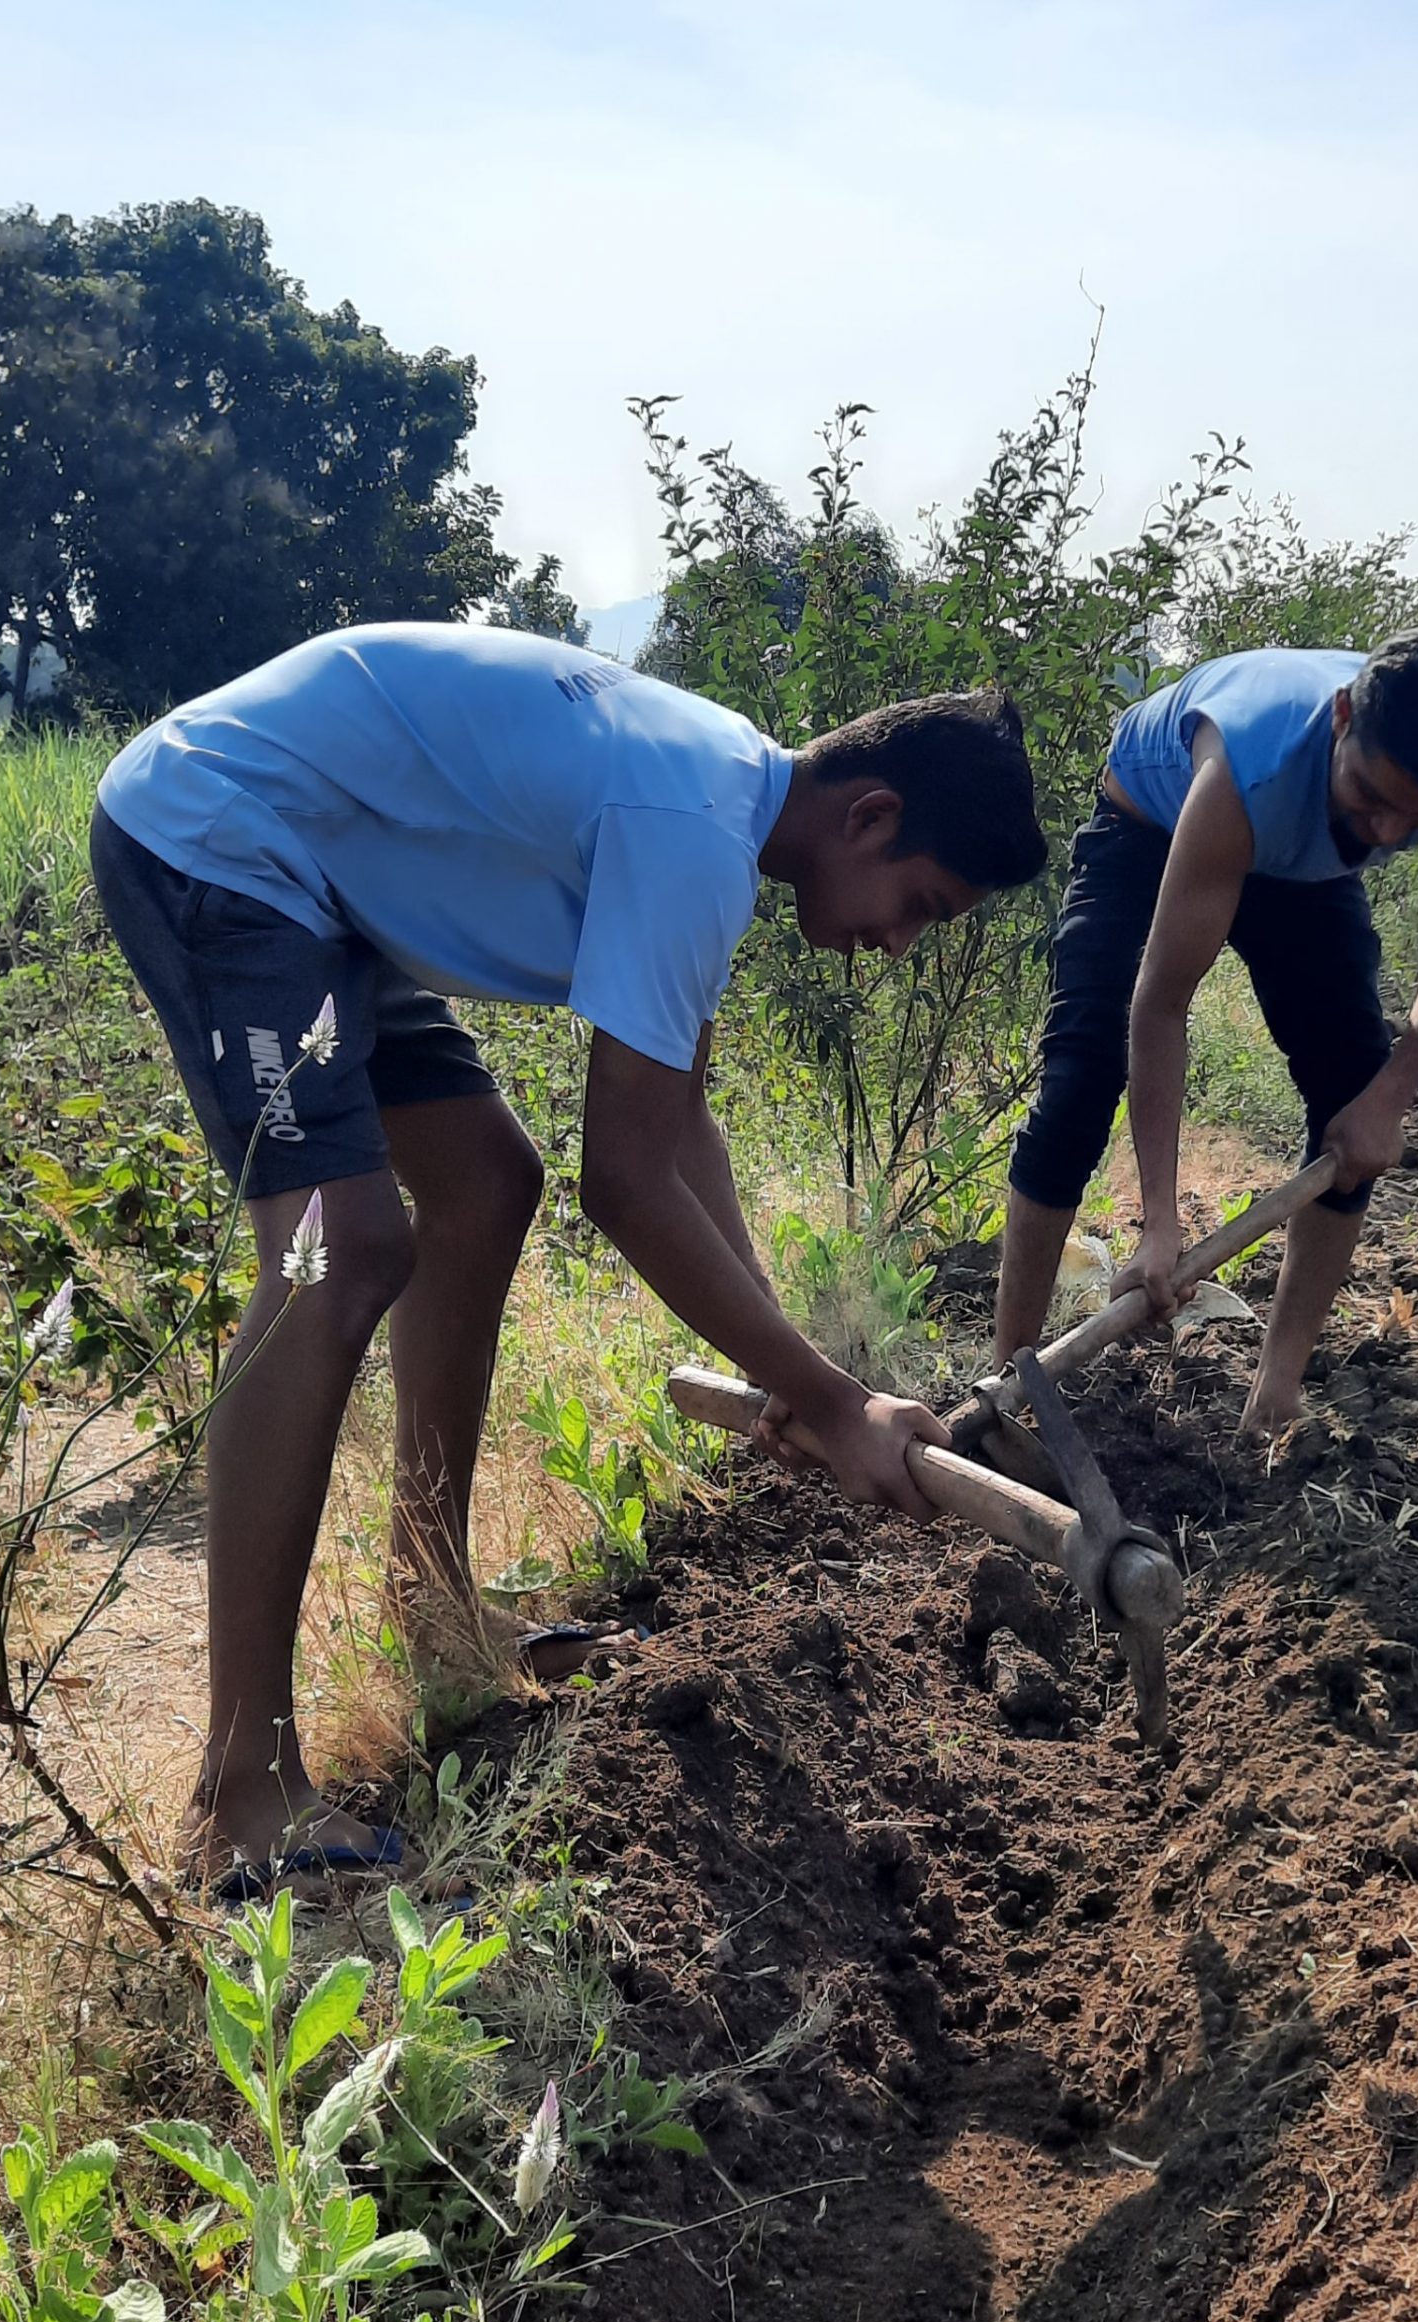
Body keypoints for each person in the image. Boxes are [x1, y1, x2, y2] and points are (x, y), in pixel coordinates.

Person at [89, 622, 1045, 1886]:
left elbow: (679, 1124)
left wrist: (790, 1380)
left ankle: (435, 1606)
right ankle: (243, 1786)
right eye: (919, 904)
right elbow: (630, 1183)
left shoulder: (716, 800)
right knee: (337, 1248)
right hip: (223, 842)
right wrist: (829, 1398)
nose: (899, 941)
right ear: (869, 816)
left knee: (486, 1182)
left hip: (325, 893)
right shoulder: (694, 822)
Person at [991, 624, 1418, 1434]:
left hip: (1299, 854)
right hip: (1154, 822)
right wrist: (1160, 1223)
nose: (1386, 834)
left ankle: (1273, 1400)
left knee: (1351, 1083)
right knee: (1082, 1077)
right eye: (1373, 799)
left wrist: (1388, 1096)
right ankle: (1009, 1384)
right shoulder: (1249, 769)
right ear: (1343, 716)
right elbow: (1160, 1002)